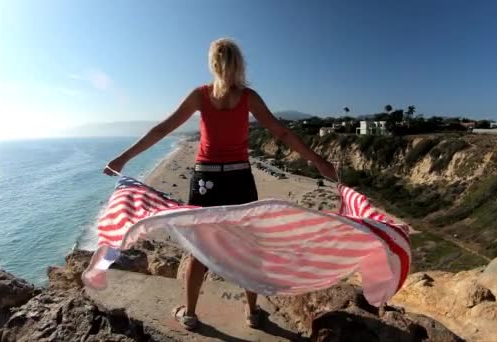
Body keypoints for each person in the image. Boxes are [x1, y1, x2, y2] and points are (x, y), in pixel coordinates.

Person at [103, 38, 338, 330]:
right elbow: (283, 134)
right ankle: (252, 313)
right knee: (249, 247)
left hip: (206, 181)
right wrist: (318, 162)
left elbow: (163, 129)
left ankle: (189, 313)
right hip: (240, 178)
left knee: (199, 249)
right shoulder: (249, 97)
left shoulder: (200, 95)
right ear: (239, 64)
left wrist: (123, 158)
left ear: (212, 64)